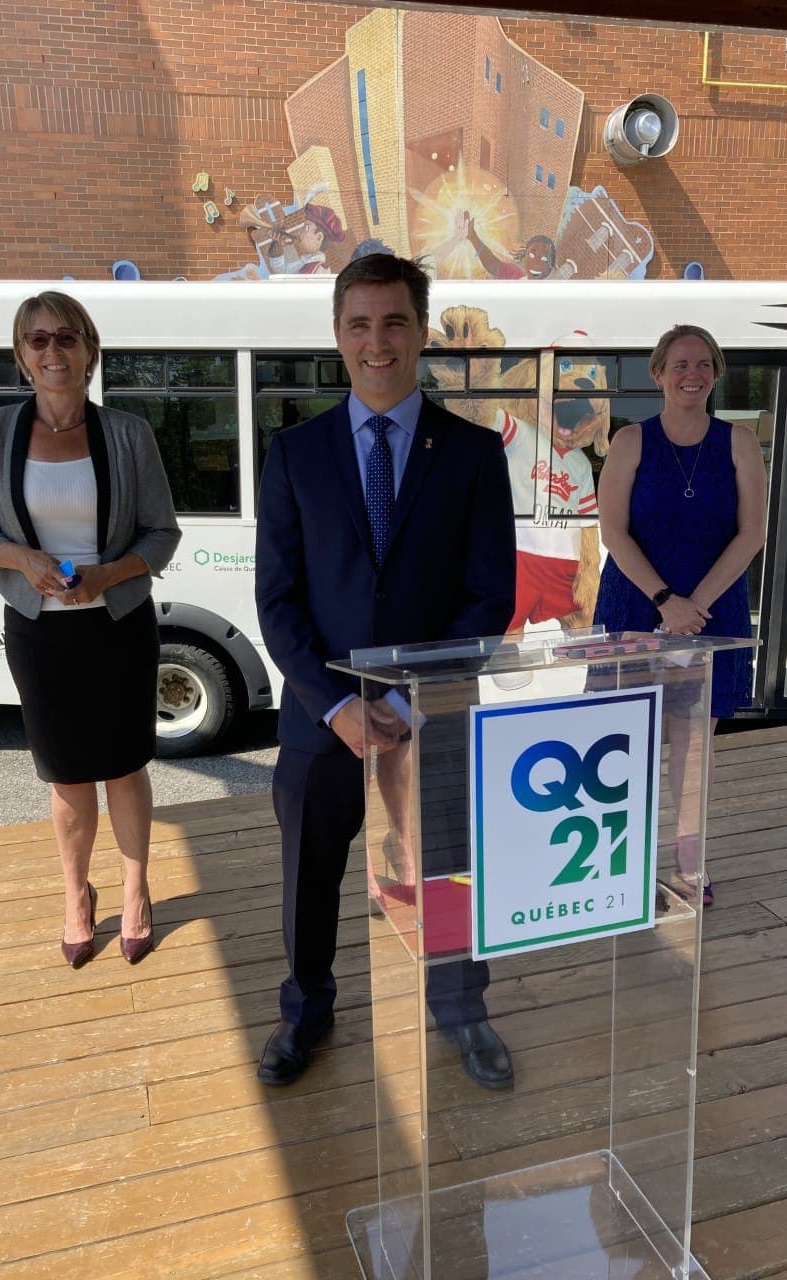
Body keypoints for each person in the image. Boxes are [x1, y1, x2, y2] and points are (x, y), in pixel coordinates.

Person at [255, 253, 517, 1087]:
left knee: (449, 865)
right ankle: (308, 1011)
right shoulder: (294, 454)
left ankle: (461, 1008)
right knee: (309, 877)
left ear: (422, 330)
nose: (378, 341)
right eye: (360, 324)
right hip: (318, 714)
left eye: (395, 321)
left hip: (432, 713)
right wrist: (335, 705)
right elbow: (278, 601)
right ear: (338, 336)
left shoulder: (474, 453)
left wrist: (409, 698)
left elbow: (489, 595)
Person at [0, 291, 181, 968]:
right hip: (39, 631)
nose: (53, 352)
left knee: (125, 766)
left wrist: (108, 576)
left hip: (117, 624)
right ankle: (75, 896)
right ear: (22, 358)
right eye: (38, 340)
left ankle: (136, 892)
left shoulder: (128, 434)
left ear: (89, 350)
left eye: (66, 338)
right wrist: (23, 559)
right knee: (67, 777)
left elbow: (162, 533)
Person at [593, 324, 766, 905]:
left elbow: (753, 533)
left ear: (715, 373)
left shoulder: (739, 441)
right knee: (627, 743)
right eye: (680, 364)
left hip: (711, 616)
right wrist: (668, 603)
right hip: (637, 609)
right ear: (659, 374)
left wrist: (697, 608)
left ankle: (691, 869)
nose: (692, 374)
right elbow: (612, 531)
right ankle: (622, 867)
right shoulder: (629, 442)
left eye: (703, 364)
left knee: (694, 748)